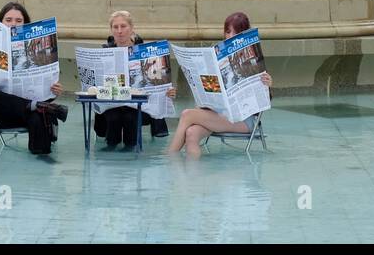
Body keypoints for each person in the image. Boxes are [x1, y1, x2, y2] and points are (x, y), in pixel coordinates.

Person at [167, 11, 273, 159]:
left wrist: (267, 84)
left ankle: (169, 159)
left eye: (236, 32)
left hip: (243, 120)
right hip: (219, 115)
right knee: (191, 134)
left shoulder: (253, 60)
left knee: (187, 114)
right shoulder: (218, 57)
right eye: (228, 31)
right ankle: (192, 178)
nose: (230, 36)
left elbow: (265, 100)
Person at [0, 2, 66, 155]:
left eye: (19, 21)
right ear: (1, 22)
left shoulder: (35, 55)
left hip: (28, 115)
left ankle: (34, 107)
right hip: (2, 114)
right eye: (8, 20)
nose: (13, 24)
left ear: (25, 23)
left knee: (38, 117)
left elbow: (44, 90)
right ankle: (34, 105)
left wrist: (54, 91)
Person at [91, 11, 159, 149]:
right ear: (111, 30)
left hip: (137, 104)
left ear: (132, 28)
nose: (120, 31)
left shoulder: (146, 52)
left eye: (123, 26)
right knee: (113, 117)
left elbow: (156, 80)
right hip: (112, 104)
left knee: (130, 118)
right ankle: (111, 151)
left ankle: (130, 152)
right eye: (115, 27)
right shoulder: (104, 52)